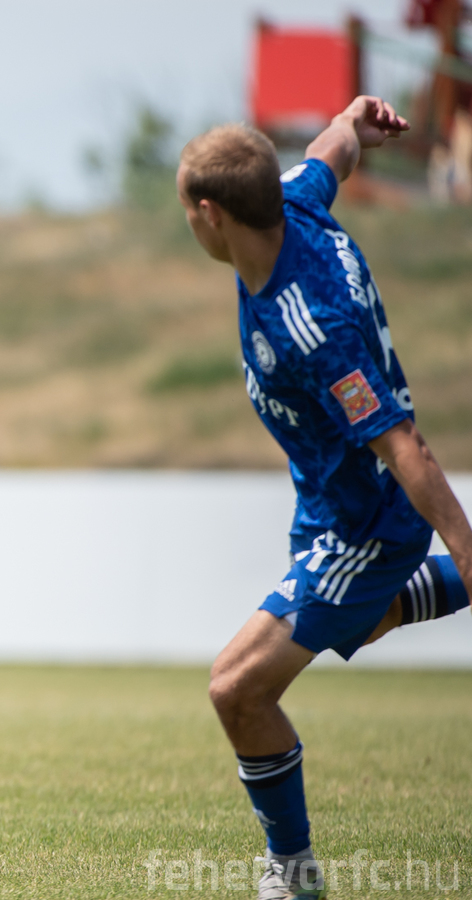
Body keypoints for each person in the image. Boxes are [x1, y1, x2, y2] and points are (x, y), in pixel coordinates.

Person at [179, 97, 472, 899]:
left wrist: (463, 541)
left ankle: (292, 871)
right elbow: (331, 153)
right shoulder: (294, 203)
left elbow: (403, 444)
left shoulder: (309, 327)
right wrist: (352, 120)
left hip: (364, 523)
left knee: (237, 687)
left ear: (211, 214)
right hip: (328, 506)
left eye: (187, 213)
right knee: (358, 621)